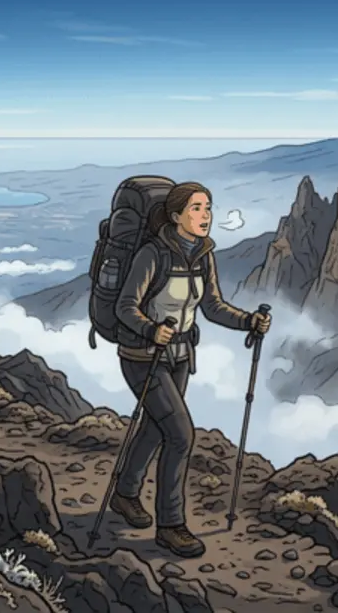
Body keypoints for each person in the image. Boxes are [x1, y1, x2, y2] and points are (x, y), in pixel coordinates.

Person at [110, 181, 272, 558]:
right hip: (142, 357)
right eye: (197, 208)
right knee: (180, 434)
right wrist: (152, 329)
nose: (206, 216)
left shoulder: (203, 255)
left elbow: (212, 306)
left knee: (156, 426)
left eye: (209, 208)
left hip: (181, 356)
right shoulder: (153, 255)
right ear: (176, 215)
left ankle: (125, 493)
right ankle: (170, 526)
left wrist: (248, 321)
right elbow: (125, 307)